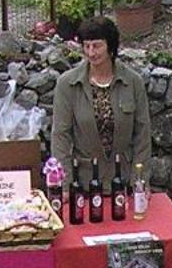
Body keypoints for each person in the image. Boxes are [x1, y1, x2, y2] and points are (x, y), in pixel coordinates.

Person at [50, 16, 152, 185]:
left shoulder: (133, 82)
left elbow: (142, 136)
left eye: (97, 46)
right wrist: (64, 183)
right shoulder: (67, 84)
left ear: (110, 47)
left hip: (123, 180)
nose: (91, 52)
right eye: (86, 46)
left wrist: (140, 181)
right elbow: (60, 137)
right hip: (84, 182)